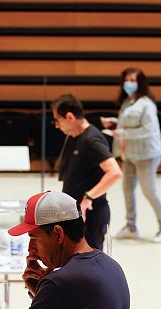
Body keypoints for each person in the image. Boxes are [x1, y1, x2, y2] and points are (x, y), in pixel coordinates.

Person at [102, 67, 161, 243]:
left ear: (140, 82)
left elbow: (148, 130)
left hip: (147, 154)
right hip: (130, 154)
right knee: (127, 189)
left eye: (133, 80)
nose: (129, 83)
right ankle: (131, 226)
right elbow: (129, 124)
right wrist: (115, 123)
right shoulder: (128, 101)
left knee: (149, 190)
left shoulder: (146, 104)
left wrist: (123, 134)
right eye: (127, 80)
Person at [51, 94, 123, 250]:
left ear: (69, 117)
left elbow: (115, 172)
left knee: (89, 265)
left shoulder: (91, 140)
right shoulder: (73, 136)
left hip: (91, 215)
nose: (56, 125)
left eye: (58, 120)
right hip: (74, 213)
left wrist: (88, 197)